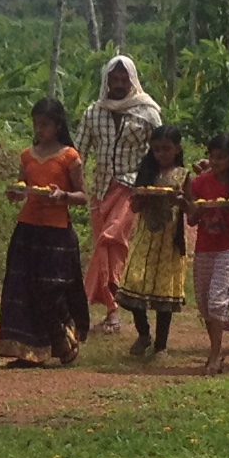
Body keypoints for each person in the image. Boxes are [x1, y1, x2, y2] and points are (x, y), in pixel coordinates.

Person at [0, 95, 90, 367]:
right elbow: (23, 185)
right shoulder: (28, 155)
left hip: (56, 232)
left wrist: (63, 195)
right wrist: (16, 193)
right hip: (28, 229)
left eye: (45, 124)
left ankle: (65, 338)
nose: (39, 130)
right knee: (22, 288)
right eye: (36, 124)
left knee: (51, 289)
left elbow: (83, 196)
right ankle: (27, 351)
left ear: (58, 125)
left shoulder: (70, 157)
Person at [78, 56, 161, 330]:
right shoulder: (94, 112)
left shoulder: (147, 112)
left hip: (131, 188)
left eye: (124, 79)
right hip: (101, 189)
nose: (119, 84)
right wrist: (73, 184)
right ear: (107, 81)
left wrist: (157, 187)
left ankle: (85, 301)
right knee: (106, 247)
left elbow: (161, 149)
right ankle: (112, 310)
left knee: (111, 238)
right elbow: (78, 152)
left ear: (132, 80)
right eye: (114, 79)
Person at [116, 124, 193, 357]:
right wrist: (141, 196)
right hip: (145, 237)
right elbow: (135, 207)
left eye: (166, 149)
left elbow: (191, 209)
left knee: (163, 292)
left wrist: (179, 201)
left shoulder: (183, 175)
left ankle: (161, 344)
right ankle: (143, 333)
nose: (161, 154)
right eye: (157, 149)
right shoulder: (147, 172)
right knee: (133, 283)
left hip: (169, 242)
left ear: (177, 149)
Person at [184, 133, 229, 375]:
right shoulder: (201, 182)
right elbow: (192, 219)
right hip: (203, 248)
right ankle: (214, 347)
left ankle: (216, 353)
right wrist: (190, 205)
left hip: (228, 248)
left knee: (217, 300)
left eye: (221, 157)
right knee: (203, 303)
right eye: (212, 156)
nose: (215, 161)